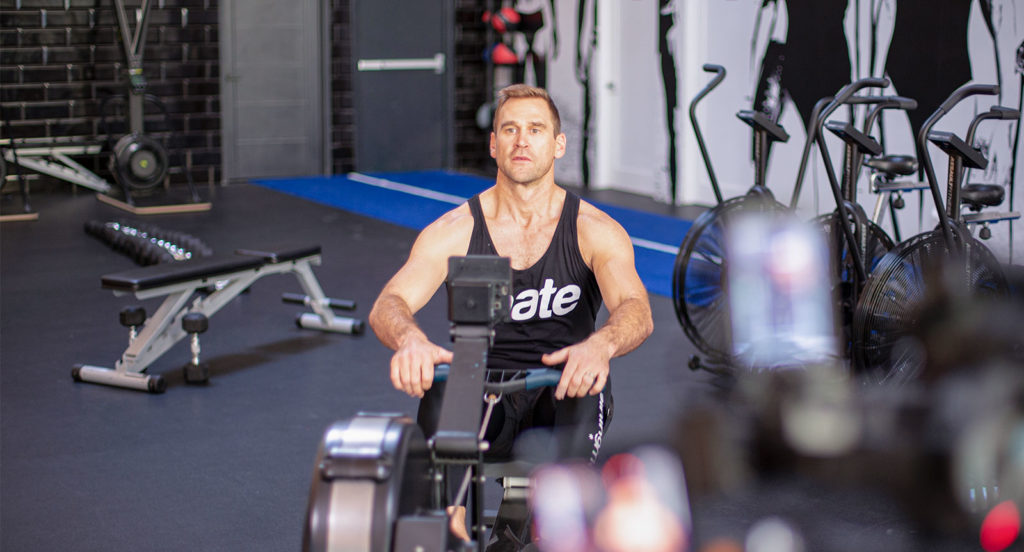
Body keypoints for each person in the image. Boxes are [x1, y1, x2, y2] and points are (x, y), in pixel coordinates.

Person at [368, 83, 653, 544]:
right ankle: (451, 529)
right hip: (481, 401)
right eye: (510, 129)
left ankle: (542, 512)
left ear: (557, 144)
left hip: (561, 391)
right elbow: (390, 303)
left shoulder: (595, 231)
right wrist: (410, 340)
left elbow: (636, 309)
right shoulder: (455, 230)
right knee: (446, 385)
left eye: (536, 129)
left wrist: (601, 344)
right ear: (493, 143)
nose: (522, 140)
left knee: (583, 390)